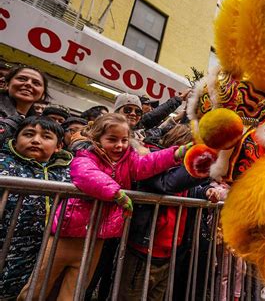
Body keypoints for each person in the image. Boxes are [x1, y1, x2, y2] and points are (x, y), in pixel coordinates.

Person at [18, 113, 189, 300]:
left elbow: (148, 163)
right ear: (97, 139)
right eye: (112, 139)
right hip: (65, 234)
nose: (120, 145)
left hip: (96, 239)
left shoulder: (129, 160)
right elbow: (86, 174)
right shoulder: (86, 156)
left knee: (73, 292)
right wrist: (116, 193)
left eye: (124, 140)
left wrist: (175, 154)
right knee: (38, 288)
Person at [118, 124, 215, 301]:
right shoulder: (150, 160)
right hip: (143, 250)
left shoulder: (183, 172)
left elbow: (191, 190)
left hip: (169, 254)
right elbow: (168, 184)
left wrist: (206, 191)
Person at [0, 116, 72, 300]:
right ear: (15, 140)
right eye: (29, 134)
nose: (36, 140)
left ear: (58, 147)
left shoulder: (66, 173)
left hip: (39, 253)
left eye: (46, 136)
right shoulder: (4, 163)